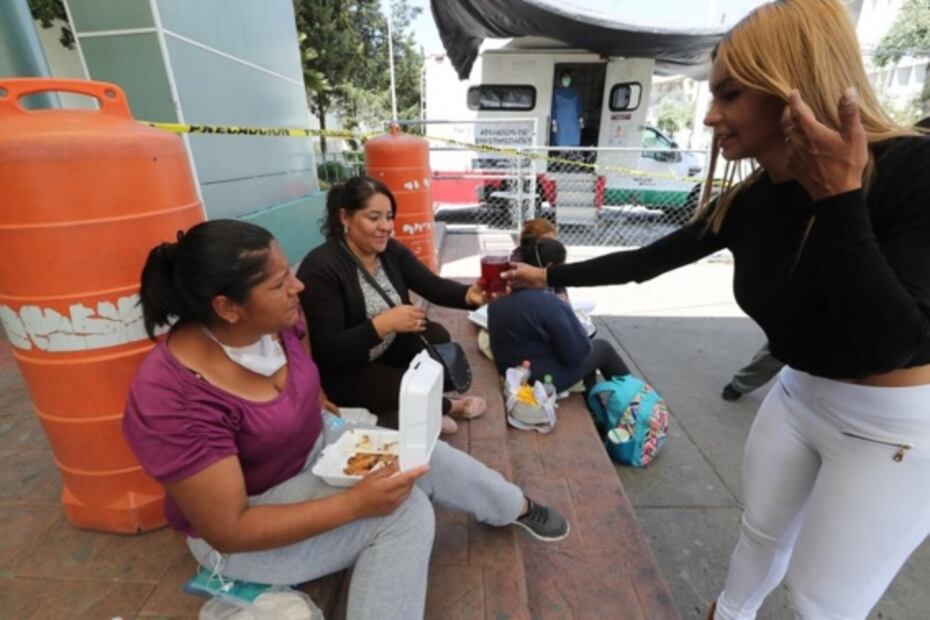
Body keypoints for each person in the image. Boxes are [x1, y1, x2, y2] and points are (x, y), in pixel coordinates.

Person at [505, 1, 930, 618]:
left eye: (729, 95)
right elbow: (648, 260)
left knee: (818, 600)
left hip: (893, 430)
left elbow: (895, 342)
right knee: (758, 537)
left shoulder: (909, 166)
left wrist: (838, 199)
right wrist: (548, 275)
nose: (709, 117)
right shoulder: (749, 199)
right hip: (798, 394)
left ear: (791, 88)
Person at [122, 220, 569, 619]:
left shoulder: (277, 319)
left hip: (317, 451)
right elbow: (229, 529)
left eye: (289, 273)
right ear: (226, 307)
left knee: (419, 452)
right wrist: (355, 505)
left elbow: (304, 354)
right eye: (279, 283)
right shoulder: (173, 397)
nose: (297, 287)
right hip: (247, 529)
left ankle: (513, 506)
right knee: (405, 512)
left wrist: (315, 396)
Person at [297, 176, 487, 435]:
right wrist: (382, 324)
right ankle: (443, 406)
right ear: (345, 217)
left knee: (437, 337)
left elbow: (431, 285)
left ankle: (418, 403)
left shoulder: (390, 251)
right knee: (407, 387)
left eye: (389, 217)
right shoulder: (321, 268)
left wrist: (470, 295)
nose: (385, 227)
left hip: (384, 348)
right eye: (374, 218)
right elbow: (329, 350)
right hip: (345, 368)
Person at [488, 236, 629, 395]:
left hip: (511, 370)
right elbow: (578, 355)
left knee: (586, 351)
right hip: (540, 380)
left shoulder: (499, 295)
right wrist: (569, 315)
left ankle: (593, 398)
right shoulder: (549, 304)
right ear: (550, 267)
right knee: (603, 348)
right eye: (562, 268)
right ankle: (635, 399)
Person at [552, 71, 583, 148]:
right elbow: (579, 109)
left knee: (561, 140)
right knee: (573, 142)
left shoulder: (556, 93)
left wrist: (554, 123)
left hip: (561, 122)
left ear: (560, 80)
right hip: (573, 122)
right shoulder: (576, 93)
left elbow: (553, 109)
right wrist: (581, 121)